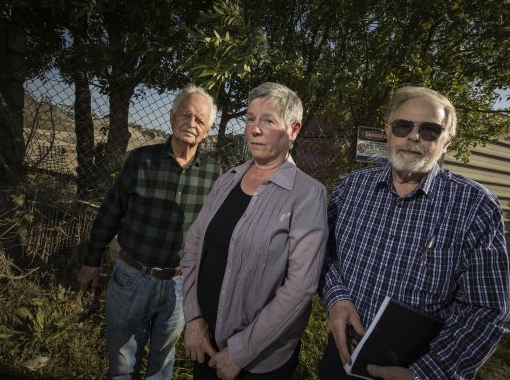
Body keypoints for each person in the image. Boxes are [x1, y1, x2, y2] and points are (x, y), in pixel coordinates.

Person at [319, 86, 510, 379]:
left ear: (448, 140)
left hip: (417, 366)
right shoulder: (350, 188)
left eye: (430, 130)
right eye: (403, 125)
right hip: (342, 354)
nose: (413, 136)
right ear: (387, 131)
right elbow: (325, 252)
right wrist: (336, 298)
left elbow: (488, 310)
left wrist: (426, 373)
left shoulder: (475, 206)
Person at [181, 82, 328, 380]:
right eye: (250, 118)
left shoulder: (307, 195)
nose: (254, 129)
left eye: (268, 120)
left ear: (294, 130)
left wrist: (241, 350)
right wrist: (193, 316)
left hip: (259, 361)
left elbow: (301, 286)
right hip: (205, 342)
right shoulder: (228, 180)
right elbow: (194, 244)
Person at [77, 84, 222, 379]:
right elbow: (110, 213)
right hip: (132, 277)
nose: (191, 124)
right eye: (186, 115)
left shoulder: (215, 174)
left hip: (180, 286)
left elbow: (216, 236)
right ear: (172, 118)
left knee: (163, 362)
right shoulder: (140, 160)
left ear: (207, 130)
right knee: (121, 361)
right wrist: (91, 261)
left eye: (200, 120)